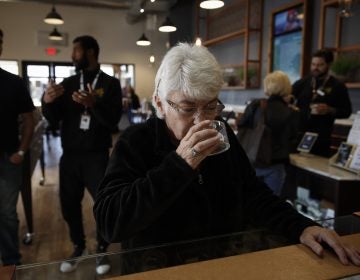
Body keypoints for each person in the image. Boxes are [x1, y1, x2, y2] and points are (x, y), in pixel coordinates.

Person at [94, 43, 360, 274]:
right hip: (159, 270)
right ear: (159, 103)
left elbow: (252, 192)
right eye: (188, 108)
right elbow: (110, 223)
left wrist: (300, 226)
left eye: (211, 106)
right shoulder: (136, 141)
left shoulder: (221, 134)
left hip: (223, 264)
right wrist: (180, 163)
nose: (202, 120)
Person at [41, 35, 122, 275]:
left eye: (75, 51)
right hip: (70, 156)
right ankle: (78, 246)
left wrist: (93, 104)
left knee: (102, 203)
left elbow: (113, 122)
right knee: (68, 205)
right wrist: (47, 101)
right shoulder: (68, 83)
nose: (72, 56)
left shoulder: (109, 84)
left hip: (97, 156)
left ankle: (101, 248)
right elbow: (53, 119)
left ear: (90, 52)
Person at [0, 28, 35, 266]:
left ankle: (11, 261)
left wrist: (21, 151)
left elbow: (30, 119)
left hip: (7, 156)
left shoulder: (13, 82)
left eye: (0, 42)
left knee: (7, 214)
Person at [238, 71, 299, 196]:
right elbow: (293, 138)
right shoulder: (291, 112)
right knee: (271, 206)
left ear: (267, 86)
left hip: (251, 161)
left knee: (248, 202)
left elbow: (241, 125)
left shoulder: (256, 105)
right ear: (287, 87)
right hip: (275, 165)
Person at [292, 49, 352, 157]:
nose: (315, 68)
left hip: (321, 138)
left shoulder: (337, 86)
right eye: (313, 64)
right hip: (299, 134)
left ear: (329, 65)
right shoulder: (303, 82)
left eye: (320, 65)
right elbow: (288, 97)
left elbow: (347, 111)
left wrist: (330, 109)